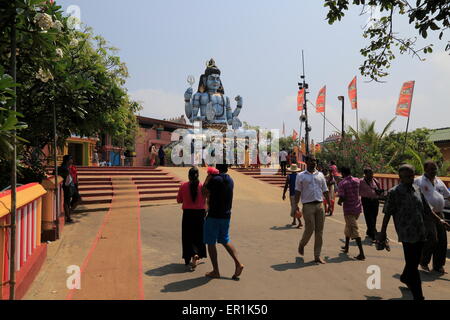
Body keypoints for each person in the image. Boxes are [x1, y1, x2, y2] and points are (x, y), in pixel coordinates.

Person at [377, 164, 450, 300]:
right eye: (407, 176)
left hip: (420, 232)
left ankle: (405, 277)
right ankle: (419, 296)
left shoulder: (417, 189)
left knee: (413, 262)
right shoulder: (394, 192)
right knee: (413, 265)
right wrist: (382, 232)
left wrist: (440, 220)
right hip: (407, 234)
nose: (410, 178)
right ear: (400, 177)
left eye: (412, 175)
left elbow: (427, 210)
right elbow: (387, 213)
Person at [202, 163, 244, 279]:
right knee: (225, 239)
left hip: (214, 215)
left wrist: (208, 177)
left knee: (210, 242)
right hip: (226, 215)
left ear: (217, 169)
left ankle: (216, 271)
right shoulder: (230, 180)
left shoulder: (215, 179)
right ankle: (238, 263)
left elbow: (203, 193)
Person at [414, 160, 450, 274]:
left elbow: (448, 195)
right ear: (425, 170)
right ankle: (423, 261)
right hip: (426, 215)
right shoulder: (419, 181)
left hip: (440, 214)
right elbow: (415, 198)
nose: (434, 171)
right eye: (431, 169)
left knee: (442, 240)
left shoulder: (439, 181)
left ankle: (438, 265)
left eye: (435, 169)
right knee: (432, 239)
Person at [294, 156, 330, 264]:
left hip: (319, 205)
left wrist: (328, 203)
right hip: (308, 205)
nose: (313, 163)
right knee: (310, 228)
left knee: (319, 231)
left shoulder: (320, 175)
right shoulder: (300, 176)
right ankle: (302, 244)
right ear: (306, 162)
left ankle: (317, 256)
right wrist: (296, 205)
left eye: (315, 161)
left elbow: (325, 189)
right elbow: (297, 191)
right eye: (311, 161)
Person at [177, 167, 207, 270]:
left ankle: (188, 257)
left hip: (188, 214)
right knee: (198, 236)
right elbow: (205, 200)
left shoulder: (183, 186)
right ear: (198, 175)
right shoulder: (202, 186)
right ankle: (197, 254)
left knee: (187, 236)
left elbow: (179, 200)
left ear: (188, 176)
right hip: (200, 214)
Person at [338, 167, 365, 260]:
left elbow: (342, 197)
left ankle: (361, 253)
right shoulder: (357, 180)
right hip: (357, 208)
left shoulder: (342, 183)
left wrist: (339, 202)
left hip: (348, 209)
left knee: (354, 229)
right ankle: (346, 247)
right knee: (348, 227)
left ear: (343, 173)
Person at [359, 168, 382, 241]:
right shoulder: (361, 181)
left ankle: (369, 231)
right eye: (370, 174)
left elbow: (379, 189)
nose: (372, 175)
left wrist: (379, 192)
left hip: (375, 200)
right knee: (369, 217)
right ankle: (373, 234)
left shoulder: (375, 180)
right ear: (365, 174)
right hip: (366, 201)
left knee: (374, 216)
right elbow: (356, 190)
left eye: (372, 173)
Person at [282, 164, 303, 228]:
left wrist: (283, 194)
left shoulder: (289, 176)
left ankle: (300, 222)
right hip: (299, 193)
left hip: (292, 194)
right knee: (295, 206)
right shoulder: (299, 176)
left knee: (294, 207)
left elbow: (286, 186)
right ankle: (294, 220)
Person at [58, 155, 75, 223]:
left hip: (70, 186)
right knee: (66, 201)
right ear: (67, 160)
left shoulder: (69, 167)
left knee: (70, 200)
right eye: (71, 159)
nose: (72, 160)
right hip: (67, 186)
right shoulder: (64, 168)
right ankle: (68, 216)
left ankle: (68, 214)